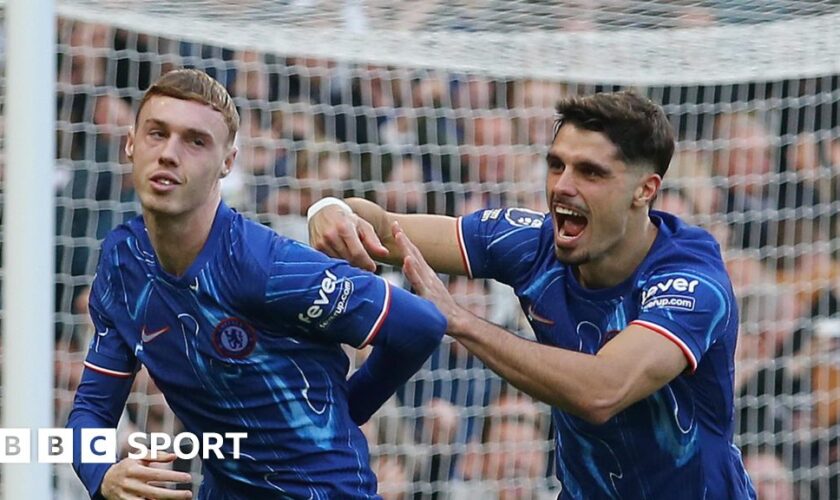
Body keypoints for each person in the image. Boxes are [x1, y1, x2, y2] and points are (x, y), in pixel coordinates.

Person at [308, 91, 756, 498]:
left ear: (645, 190)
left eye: (591, 172)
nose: (562, 185)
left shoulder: (690, 278)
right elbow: (386, 227)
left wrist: (460, 320)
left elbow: (602, 390)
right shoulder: (532, 243)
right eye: (557, 164)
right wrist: (330, 210)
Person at [67, 68, 447, 500]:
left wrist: (350, 406)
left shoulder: (265, 265)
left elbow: (420, 325)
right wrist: (102, 475)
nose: (169, 153)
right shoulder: (123, 266)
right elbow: (93, 410)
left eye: (195, 141)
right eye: (157, 133)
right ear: (130, 143)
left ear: (227, 163)